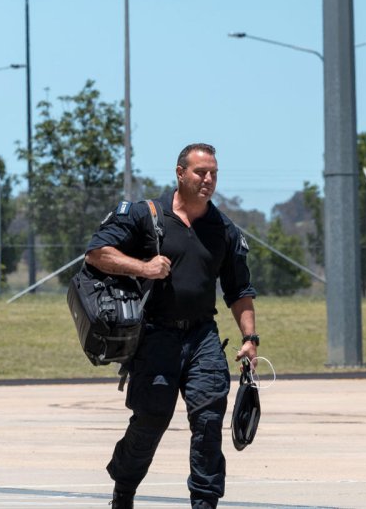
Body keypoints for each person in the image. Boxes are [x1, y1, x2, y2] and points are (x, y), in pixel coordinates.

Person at [84, 143, 258, 509]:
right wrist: (144, 268)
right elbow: (97, 253)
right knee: (151, 420)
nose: (208, 179)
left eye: (213, 173)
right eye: (200, 172)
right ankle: (124, 490)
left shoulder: (223, 229)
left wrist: (250, 338)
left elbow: (239, 290)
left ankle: (204, 502)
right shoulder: (145, 215)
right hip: (155, 336)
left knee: (209, 421)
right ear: (180, 173)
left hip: (202, 336)